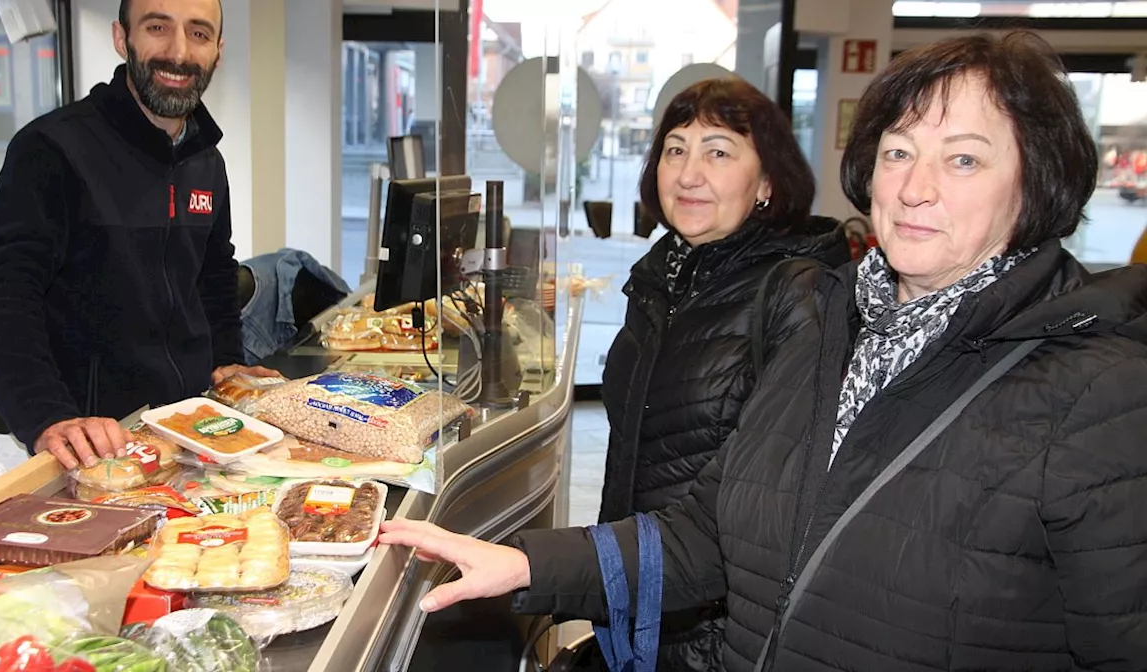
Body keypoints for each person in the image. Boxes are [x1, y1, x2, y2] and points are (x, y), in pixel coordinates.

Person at [380, 32, 1147, 670]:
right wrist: (524, 565)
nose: (916, 188)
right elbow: (708, 535)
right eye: (899, 151)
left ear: (1036, 185)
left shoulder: (1100, 394)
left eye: (965, 159)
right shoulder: (828, 331)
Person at [0, 0, 275, 471]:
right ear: (122, 39)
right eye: (158, 27)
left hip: (187, 434)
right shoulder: (53, 149)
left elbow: (213, 277)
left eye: (199, 34)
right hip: (91, 447)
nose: (179, 52)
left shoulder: (206, 161)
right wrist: (48, 417)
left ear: (218, 52)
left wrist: (227, 362)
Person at [598, 78, 848, 669]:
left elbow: (777, 499)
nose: (687, 174)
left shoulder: (797, 294)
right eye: (675, 148)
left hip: (718, 626)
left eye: (718, 151)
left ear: (766, 181)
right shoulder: (664, 277)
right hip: (642, 593)